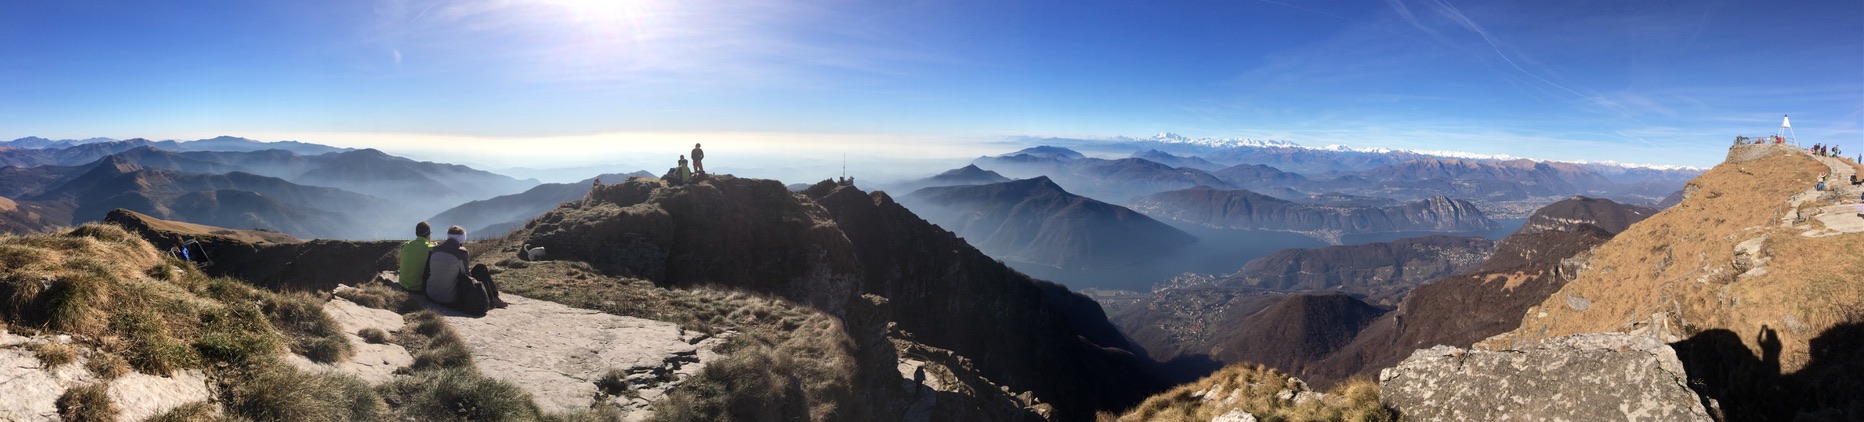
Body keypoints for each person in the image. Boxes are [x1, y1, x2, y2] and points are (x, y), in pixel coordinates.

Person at [423, 226, 508, 314]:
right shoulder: (462, 253)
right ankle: (494, 298)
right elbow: (466, 276)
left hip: (431, 294)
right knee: (481, 268)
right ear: (462, 238)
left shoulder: (435, 249)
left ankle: (494, 298)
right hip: (450, 299)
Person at [397, 222, 436, 292]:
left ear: (416, 233)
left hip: (402, 285)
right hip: (418, 288)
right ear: (428, 234)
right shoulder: (430, 247)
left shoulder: (406, 245)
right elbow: (433, 246)